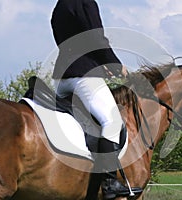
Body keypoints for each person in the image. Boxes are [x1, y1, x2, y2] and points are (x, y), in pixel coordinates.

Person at [51, 0, 142, 199]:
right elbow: (95, 38)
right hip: (82, 76)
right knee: (113, 121)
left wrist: (100, 65)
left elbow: (74, 43)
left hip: (61, 78)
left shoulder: (59, 6)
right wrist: (115, 64)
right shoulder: (85, 2)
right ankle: (109, 182)